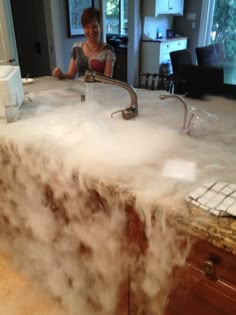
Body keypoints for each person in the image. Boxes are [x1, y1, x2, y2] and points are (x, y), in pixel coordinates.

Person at [52, 7, 116, 79]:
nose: (91, 31)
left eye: (94, 27)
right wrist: (61, 75)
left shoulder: (108, 50)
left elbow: (108, 81)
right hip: (80, 90)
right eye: (87, 27)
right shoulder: (76, 48)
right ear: (83, 28)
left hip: (99, 90)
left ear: (100, 27)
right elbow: (70, 76)